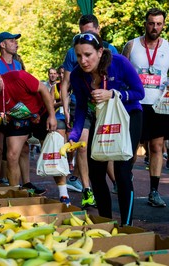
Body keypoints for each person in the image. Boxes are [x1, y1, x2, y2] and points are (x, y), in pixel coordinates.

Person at [68, 32, 144, 225]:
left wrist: (113, 93)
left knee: (122, 169)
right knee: (95, 170)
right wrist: (74, 135)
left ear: (100, 51)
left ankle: (126, 224)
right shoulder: (77, 75)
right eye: (79, 55)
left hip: (129, 116)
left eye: (88, 54)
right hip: (102, 119)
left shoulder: (118, 62)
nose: (83, 61)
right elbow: (82, 108)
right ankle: (105, 221)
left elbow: (139, 92)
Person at [60, 14, 119, 208]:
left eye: (90, 33)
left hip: (106, 105)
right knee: (82, 145)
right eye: (82, 33)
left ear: (98, 29)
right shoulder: (72, 52)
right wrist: (66, 107)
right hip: (82, 103)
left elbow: (120, 80)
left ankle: (119, 181)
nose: (86, 38)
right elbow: (66, 82)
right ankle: (86, 189)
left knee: (105, 148)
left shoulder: (112, 49)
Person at [0, 64, 57, 188]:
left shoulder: (18, 77)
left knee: (53, 152)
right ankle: (15, 191)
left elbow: (43, 89)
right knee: (11, 156)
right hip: (19, 119)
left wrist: (52, 116)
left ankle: (63, 193)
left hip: (41, 113)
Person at [122, 8, 169, 207]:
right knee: (131, 149)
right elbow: (121, 71)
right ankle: (124, 182)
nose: (154, 27)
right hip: (135, 104)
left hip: (159, 105)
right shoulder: (131, 46)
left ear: (163, 25)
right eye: (151, 23)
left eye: (159, 24)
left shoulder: (168, 47)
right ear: (145, 24)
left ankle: (153, 191)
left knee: (157, 147)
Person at [43, 67, 72, 204]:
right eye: (59, 73)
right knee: (60, 153)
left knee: (76, 149)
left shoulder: (78, 84)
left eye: (62, 73)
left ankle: (78, 179)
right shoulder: (54, 87)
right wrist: (63, 102)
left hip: (76, 119)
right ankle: (64, 193)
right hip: (59, 119)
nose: (60, 75)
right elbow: (50, 103)